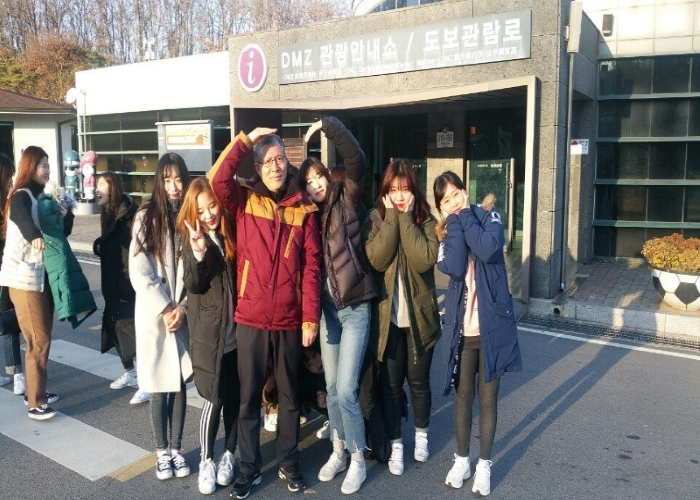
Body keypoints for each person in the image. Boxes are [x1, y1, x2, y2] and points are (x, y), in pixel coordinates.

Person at [209, 127, 321, 499]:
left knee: (289, 396)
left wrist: (309, 317)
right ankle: (248, 468)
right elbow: (217, 179)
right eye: (268, 161)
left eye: (280, 159)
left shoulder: (303, 207)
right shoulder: (245, 199)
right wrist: (245, 139)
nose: (275, 166)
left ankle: (289, 463)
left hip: (289, 318)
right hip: (251, 317)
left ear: (288, 163)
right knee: (248, 397)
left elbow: (312, 267)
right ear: (257, 167)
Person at [300, 116, 377, 494]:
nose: (316, 184)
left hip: (355, 307)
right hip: (327, 313)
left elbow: (356, 158)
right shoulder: (307, 219)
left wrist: (328, 126)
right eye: (309, 182)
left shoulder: (345, 198)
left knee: (346, 389)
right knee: (331, 388)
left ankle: (358, 458)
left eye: (319, 176)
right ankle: (338, 451)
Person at [434, 171, 522, 497]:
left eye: (456, 194)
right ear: (440, 207)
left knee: (487, 400)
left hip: (492, 329)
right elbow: (455, 266)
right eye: (446, 201)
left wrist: (466, 215)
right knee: (462, 399)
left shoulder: (488, 215)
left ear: (465, 191)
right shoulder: (448, 232)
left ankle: (484, 464)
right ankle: (462, 461)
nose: (453, 202)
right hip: (463, 331)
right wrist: (454, 223)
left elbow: (487, 248)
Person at [361, 159, 441, 476]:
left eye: (404, 189)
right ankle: (396, 443)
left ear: (413, 190)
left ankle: (421, 436)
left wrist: (406, 218)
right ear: (385, 191)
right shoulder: (374, 220)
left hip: (420, 319)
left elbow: (424, 260)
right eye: (393, 189)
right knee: (391, 387)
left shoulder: (426, 220)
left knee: (419, 383)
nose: (398, 195)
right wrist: (393, 217)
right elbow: (377, 260)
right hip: (389, 321)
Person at [129, 153, 193, 481]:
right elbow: (139, 269)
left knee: (179, 383)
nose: (173, 186)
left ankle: (178, 449)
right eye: (167, 180)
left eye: (178, 179)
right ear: (159, 181)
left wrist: (183, 308)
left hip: (181, 313)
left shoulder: (190, 214)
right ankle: (161, 452)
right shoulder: (146, 215)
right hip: (156, 315)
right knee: (158, 385)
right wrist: (166, 308)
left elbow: (198, 268)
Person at [177, 177, 240, 495]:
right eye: (200, 210)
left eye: (212, 206)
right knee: (214, 399)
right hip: (211, 339)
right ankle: (206, 460)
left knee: (235, 397)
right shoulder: (193, 241)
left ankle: (229, 454)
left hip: (238, 335)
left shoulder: (230, 232)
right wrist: (199, 252)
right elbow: (194, 283)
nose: (208, 214)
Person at [0, 146, 60, 419]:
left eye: (47, 165)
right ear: (30, 167)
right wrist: (34, 235)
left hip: (40, 277)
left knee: (41, 338)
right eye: (42, 165)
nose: (47, 170)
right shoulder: (21, 195)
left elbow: (60, 230)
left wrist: (65, 213)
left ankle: (38, 391)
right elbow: (20, 217)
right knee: (38, 339)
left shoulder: (40, 196)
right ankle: (36, 403)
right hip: (23, 278)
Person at [93, 172, 150, 405]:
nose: (96, 189)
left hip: (126, 287)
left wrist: (127, 289)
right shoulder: (110, 214)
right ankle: (131, 372)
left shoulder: (127, 215)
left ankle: (146, 383)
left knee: (134, 335)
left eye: (101, 185)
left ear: (113, 188)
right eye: (96, 185)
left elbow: (130, 255)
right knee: (114, 329)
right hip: (113, 287)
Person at [38, 181, 97, 329]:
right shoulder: (32, 199)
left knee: (44, 325)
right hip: (36, 266)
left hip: (51, 264)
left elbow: (65, 231)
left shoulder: (55, 201)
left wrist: (65, 216)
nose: (46, 172)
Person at [0, 153, 24, 394]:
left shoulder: (10, 202)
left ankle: (16, 374)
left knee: (9, 322)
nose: (12, 178)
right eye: (9, 174)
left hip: (8, 270)